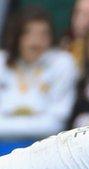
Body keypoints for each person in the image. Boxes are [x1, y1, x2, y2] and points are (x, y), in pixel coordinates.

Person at [0, 6, 78, 140]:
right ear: (16, 35)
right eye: (28, 33)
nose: (36, 41)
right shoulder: (1, 61)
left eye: (43, 34)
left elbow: (57, 123)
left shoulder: (62, 62)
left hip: (44, 144)